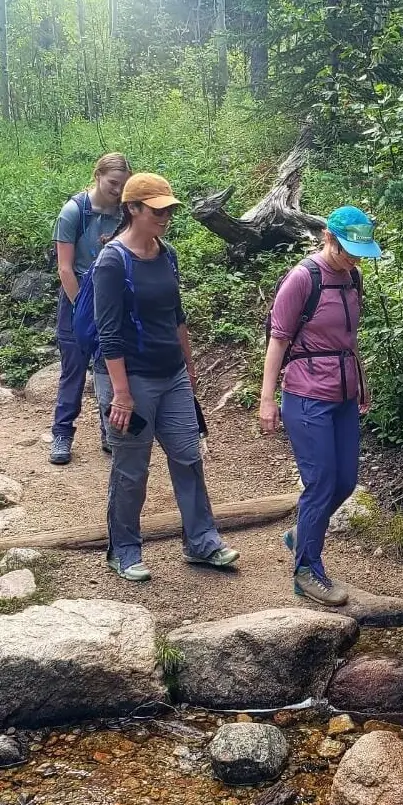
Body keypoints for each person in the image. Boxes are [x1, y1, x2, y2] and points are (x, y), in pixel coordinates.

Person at [93, 173, 240, 581]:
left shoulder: (167, 253)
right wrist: (121, 395)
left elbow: (177, 318)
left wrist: (189, 369)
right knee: (131, 468)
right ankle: (123, 549)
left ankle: (202, 541)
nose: (166, 216)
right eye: (157, 210)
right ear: (132, 209)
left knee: (188, 458)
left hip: (172, 376)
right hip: (132, 381)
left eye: (169, 209)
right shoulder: (112, 261)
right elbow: (108, 333)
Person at [259, 206, 380, 606]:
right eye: (348, 250)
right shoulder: (303, 279)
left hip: (344, 393)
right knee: (321, 482)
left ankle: (300, 535)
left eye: (360, 252)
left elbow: (349, 337)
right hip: (307, 394)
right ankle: (307, 570)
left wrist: (361, 380)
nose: (354, 259)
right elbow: (278, 339)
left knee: (345, 481)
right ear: (329, 238)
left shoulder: (353, 278)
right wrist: (267, 400)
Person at [50, 153, 132, 464]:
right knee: (74, 368)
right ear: (97, 176)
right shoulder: (74, 211)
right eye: (113, 183)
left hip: (112, 295)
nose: (117, 189)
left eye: (123, 185)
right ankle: (62, 434)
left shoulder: (124, 212)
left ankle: (110, 432)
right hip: (77, 295)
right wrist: (86, 310)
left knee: (109, 367)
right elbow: (65, 269)